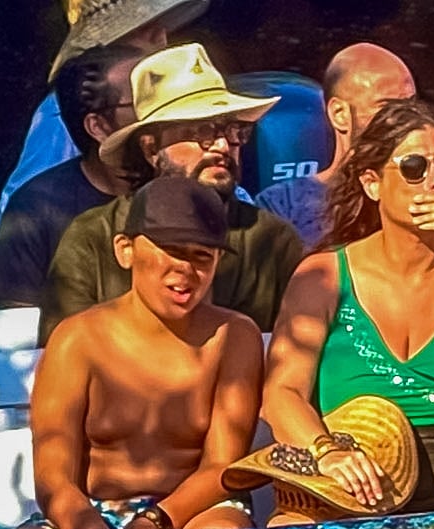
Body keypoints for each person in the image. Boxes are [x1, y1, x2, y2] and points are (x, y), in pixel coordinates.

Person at [258, 98, 434, 519]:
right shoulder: (324, 277)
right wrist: (327, 453)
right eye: (414, 168)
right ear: (372, 184)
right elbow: (281, 394)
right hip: (354, 463)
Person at [28, 176, 261, 529]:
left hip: (195, 511)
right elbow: (53, 476)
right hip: (94, 510)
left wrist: (154, 521)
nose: (185, 270)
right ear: (125, 250)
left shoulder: (234, 336)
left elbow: (222, 464)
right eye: (171, 250)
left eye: (202, 256)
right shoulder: (77, 338)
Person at [40, 44, 304, 341]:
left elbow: (300, 358)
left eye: (232, 130)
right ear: (151, 148)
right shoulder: (92, 238)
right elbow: (63, 357)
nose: (221, 146)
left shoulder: (274, 241)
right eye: (202, 130)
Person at [0, 0, 208, 219]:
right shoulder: (62, 112)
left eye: (159, 27)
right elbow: (20, 209)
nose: (161, 39)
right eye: (144, 28)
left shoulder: (167, 94)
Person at [0, 48, 138, 306]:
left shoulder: (184, 190)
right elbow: (18, 327)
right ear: (98, 127)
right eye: (143, 100)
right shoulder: (34, 210)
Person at [258, 43, 416, 249]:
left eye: (411, 106)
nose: (407, 120)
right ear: (339, 114)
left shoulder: (426, 191)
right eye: (386, 107)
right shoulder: (282, 206)